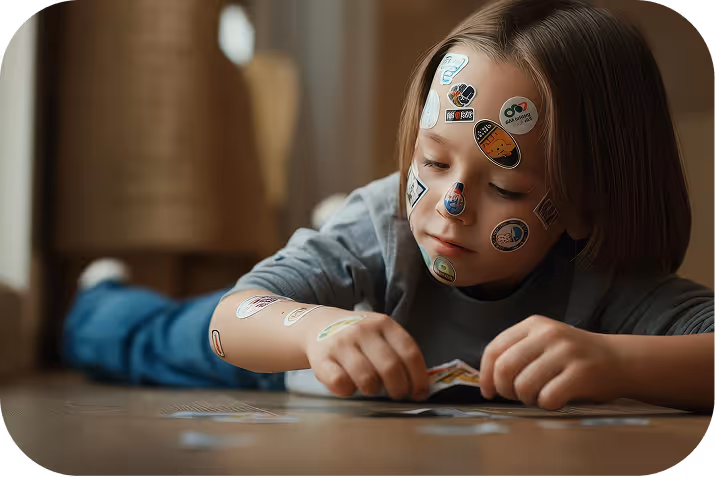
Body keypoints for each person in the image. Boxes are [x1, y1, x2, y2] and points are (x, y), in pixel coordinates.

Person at [63, 0, 715, 412]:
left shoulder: (606, 280)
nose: (450, 205)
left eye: (507, 189)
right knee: (150, 338)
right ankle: (100, 294)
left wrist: (617, 360)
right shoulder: (390, 223)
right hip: (292, 361)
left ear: (584, 209)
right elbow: (235, 316)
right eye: (431, 163)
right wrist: (319, 331)